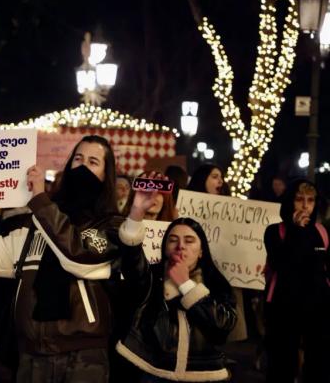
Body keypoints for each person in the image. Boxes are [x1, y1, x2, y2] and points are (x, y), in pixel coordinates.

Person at [0, 135, 133, 382]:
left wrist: (40, 201)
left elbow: (77, 256)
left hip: (83, 356)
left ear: (107, 176)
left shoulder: (112, 227)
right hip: (32, 354)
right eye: (78, 159)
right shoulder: (34, 228)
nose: (82, 167)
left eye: (93, 162)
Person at [116, 187, 237, 382]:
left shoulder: (216, 282)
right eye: (173, 240)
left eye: (189, 240)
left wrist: (186, 285)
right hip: (152, 371)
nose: (180, 246)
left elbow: (224, 325)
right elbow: (131, 262)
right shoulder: (151, 277)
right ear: (164, 249)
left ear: (201, 251)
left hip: (203, 374)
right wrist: (137, 212)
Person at [263, 179, 330, 382]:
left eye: (310, 200)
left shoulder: (322, 232)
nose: (305, 205)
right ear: (290, 201)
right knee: (282, 363)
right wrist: (297, 230)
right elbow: (282, 263)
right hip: (284, 306)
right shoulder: (275, 231)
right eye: (299, 199)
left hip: (317, 306)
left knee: (318, 364)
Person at [186, 163, 247, 342]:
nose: (220, 181)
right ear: (201, 179)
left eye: (221, 177)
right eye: (214, 176)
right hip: (197, 274)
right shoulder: (187, 205)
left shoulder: (232, 208)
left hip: (225, 271)